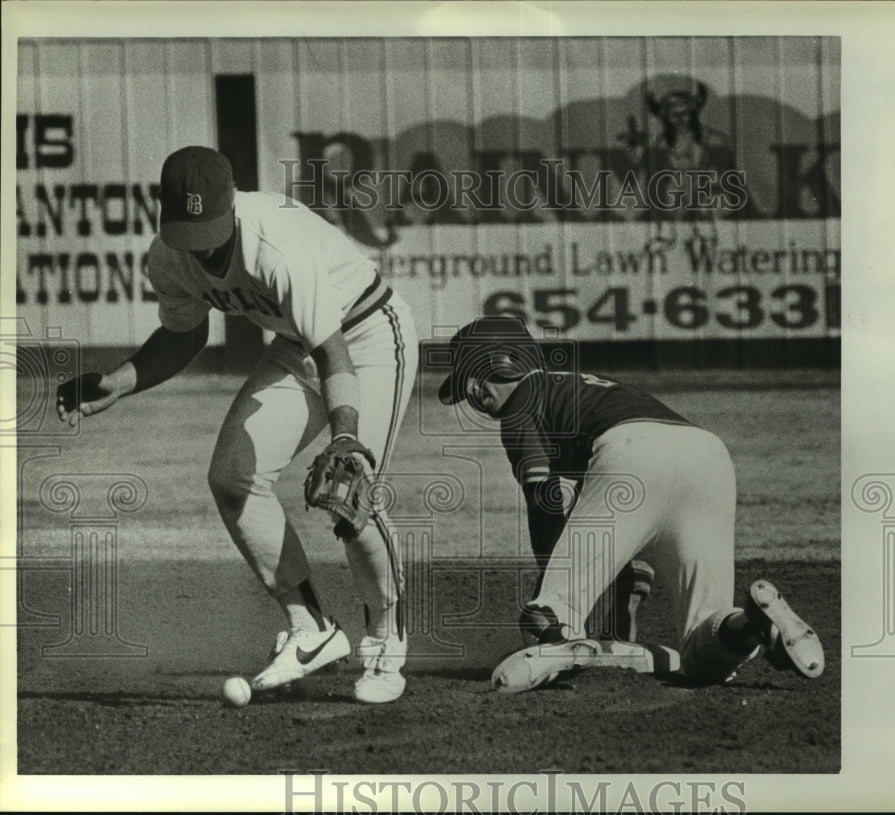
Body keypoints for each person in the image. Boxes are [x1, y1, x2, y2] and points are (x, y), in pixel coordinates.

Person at [55, 146, 417, 704]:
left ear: (232, 206)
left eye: (213, 232)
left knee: (354, 490)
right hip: (298, 345)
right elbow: (186, 334)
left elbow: (334, 355)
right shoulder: (169, 256)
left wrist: (346, 437)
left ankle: (384, 642)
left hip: (366, 334)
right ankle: (311, 628)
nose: (203, 248)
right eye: (189, 233)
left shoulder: (276, 245)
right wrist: (117, 382)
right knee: (233, 476)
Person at [436, 316, 824, 692]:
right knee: (704, 653)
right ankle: (752, 627)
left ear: (494, 364)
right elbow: (618, 520)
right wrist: (626, 596)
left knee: (544, 618)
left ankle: (572, 646)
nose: (471, 394)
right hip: (709, 457)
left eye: (469, 378)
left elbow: (546, 501)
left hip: (630, 453)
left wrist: (554, 588)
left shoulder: (521, 403)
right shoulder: (583, 389)